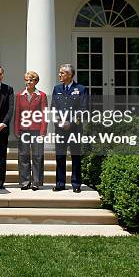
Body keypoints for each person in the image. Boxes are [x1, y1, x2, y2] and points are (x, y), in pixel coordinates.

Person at [50, 63, 88, 193]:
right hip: (60, 129)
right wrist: (58, 122)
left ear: (70, 75)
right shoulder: (57, 88)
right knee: (60, 156)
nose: (59, 75)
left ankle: (76, 183)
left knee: (75, 156)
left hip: (75, 129)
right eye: (59, 72)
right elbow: (53, 108)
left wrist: (71, 123)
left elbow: (83, 109)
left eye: (62, 73)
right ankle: (60, 183)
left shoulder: (81, 89)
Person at [14, 71, 48, 191]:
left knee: (37, 156)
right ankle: (25, 182)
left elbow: (45, 114)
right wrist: (16, 130)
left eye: (31, 80)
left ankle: (36, 182)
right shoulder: (19, 95)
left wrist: (43, 131)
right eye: (27, 80)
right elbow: (17, 113)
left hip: (37, 130)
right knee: (23, 156)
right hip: (23, 130)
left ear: (36, 82)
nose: (28, 82)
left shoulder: (42, 95)